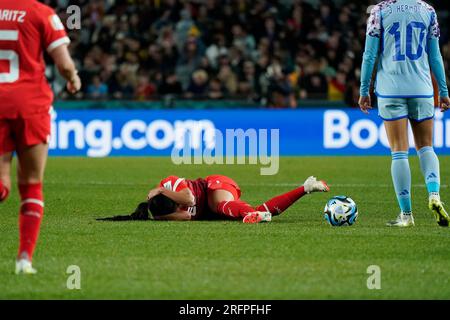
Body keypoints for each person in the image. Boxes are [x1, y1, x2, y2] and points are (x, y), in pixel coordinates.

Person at [0, 0, 81, 274]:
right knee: (32, 184)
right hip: (30, 105)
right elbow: (64, 63)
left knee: (2, 186)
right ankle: (24, 259)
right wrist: (73, 78)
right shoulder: (41, 13)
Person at [359, 0, 450, 227]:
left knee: (399, 151)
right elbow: (435, 55)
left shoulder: (379, 11)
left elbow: (369, 55)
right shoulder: (428, 10)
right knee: (426, 147)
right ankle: (434, 194)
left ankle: (406, 215)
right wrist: (444, 91)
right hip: (422, 89)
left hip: (391, 90)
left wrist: (364, 91)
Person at [146, 175, 329, 223]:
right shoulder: (168, 212)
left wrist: (162, 190)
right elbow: (186, 216)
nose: (181, 208)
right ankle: (306, 188)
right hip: (211, 209)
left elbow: (190, 199)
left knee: (220, 205)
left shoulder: (169, 183)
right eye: (176, 208)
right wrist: (162, 217)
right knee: (258, 210)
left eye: (176, 206)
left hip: (213, 185)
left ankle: (254, 215)